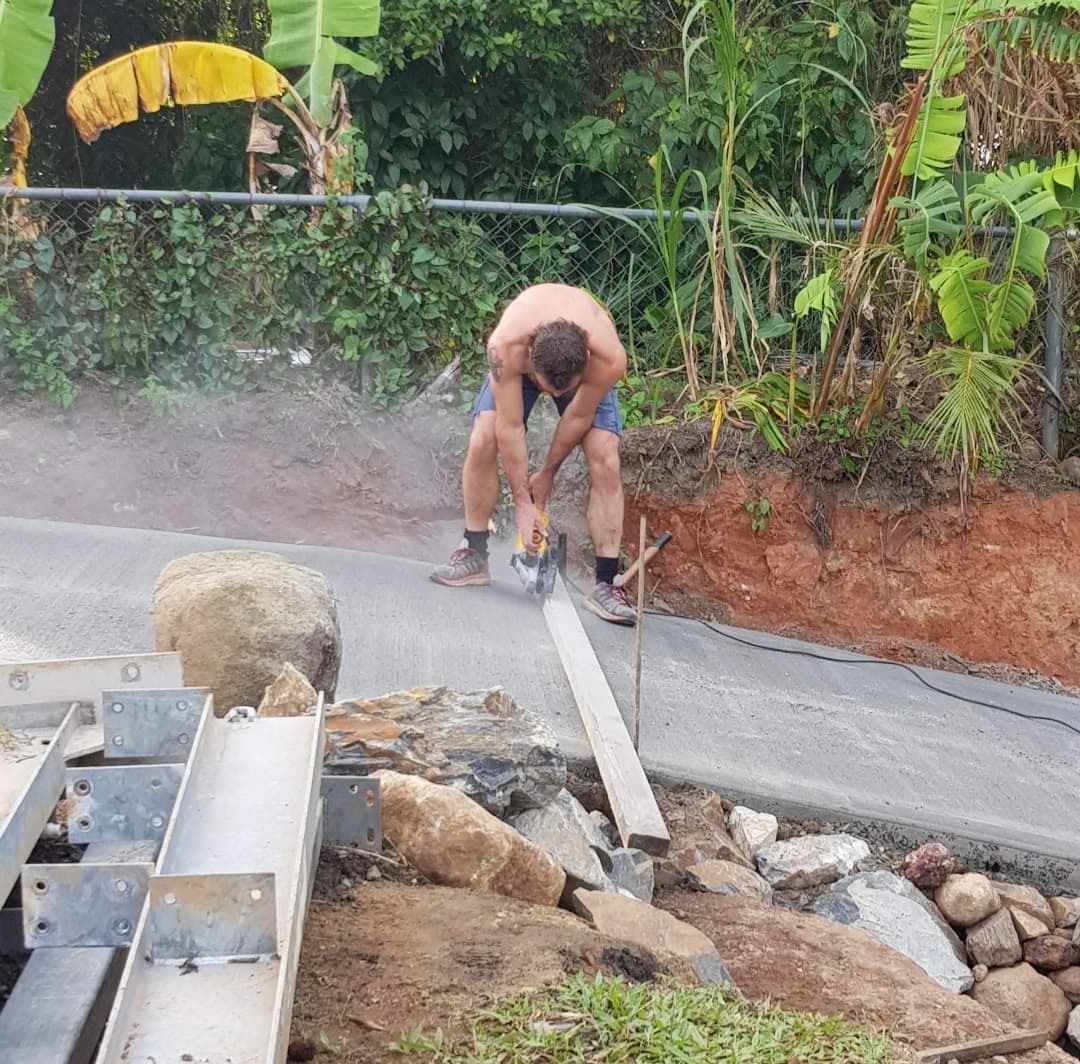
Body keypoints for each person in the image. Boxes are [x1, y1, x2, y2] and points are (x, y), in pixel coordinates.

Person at [430, 283, 636, 625]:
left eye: (559, 391)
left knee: (605, 453)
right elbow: (509, 428)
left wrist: (547, 474)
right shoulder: (505, 348)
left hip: (579, 371)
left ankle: (606, 583)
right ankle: (473, 551)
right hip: (526, 362)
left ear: (585, 361)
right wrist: (524, 504)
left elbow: (578, 416)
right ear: (529, 358)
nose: (547, 395)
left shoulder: (607, 358)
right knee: (483, 435)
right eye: (541, 386)